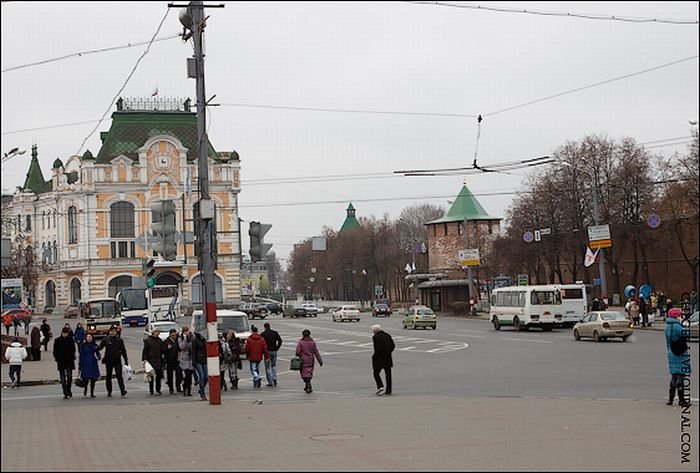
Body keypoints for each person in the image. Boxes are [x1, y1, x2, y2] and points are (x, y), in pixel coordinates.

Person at [665, 308, 692, 407]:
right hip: (680, 353)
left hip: (671, 352)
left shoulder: (668, 327)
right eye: (680, 315)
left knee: (674, 376)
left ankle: (670, 399)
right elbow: (687, 334)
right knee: (681, 375)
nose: (682, 317)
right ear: (677, 316)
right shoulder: (677, 326)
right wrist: (685, 326)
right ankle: (682, 400)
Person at [97, 325, 129, 397]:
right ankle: (109, 391)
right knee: (108, 376)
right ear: (109, 332)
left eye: (114, 331)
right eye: (111, 331)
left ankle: (122, 390)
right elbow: (100, 347)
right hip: (108, 360)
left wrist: (126, 360)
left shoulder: (119, 340)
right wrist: (95, 349)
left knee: (119, 375)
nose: (112, 333)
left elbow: (123, 351)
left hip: (117, 360)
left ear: (116, 332)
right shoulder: (106, 339)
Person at [295, 329, 323, 393]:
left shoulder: (301, 342)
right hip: (310, 360)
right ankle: (307, 385)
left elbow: (298, 352)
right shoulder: (312, 342)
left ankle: (308, 384)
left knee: (304, 372)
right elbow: (316, 352)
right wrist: (320, 360)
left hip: (303, 360)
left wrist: (298, 355)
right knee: (309, 372)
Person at [372, 324, 395, 396]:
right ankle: (389, 390)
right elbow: (393, 346)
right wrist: (389, 352)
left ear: (375, 331)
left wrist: (375, 356)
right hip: (388, 357)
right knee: (388, 374)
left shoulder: (376, 337)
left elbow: (377, 348)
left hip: (379, 358)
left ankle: (380, 386)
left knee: (376, 373)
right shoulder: (387, 335)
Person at [53, 327, 76, 399]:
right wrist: (57, 359)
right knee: (62, 379)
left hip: (69, 361)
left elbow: (73, 349)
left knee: (69, 377)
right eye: (64, 333)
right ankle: (65, 392)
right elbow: (55, 351)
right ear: (62, 333)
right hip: (61, 362)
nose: (65, 334)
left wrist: (72, 357)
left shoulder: (70, 340)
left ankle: (68, 389)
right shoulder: (57, 340)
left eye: (66, 333)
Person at [142, 328, 164, 395]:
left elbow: (162, 349)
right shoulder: (148, 340)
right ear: (152, 333)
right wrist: (144, 359)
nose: (156, 333)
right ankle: (151, 390)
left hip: (158, 359)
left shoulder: (160, 340)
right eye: (155, 332)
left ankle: (158, 389)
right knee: (151, 375)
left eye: (157, 332)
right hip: (150, 359)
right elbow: (145, 350)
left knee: (158, 375)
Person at [78, 333, 101, 398]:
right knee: (86, 378)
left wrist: (99, 357)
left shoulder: (95, 345)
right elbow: (81, 355)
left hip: (93, 363)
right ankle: (85, 389)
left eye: (90, 337)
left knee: (93, 379)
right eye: (87, 337)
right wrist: (80, 365)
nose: (88, 338)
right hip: (86, 364)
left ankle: (92, 392)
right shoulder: (83, 346)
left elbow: (98, 354)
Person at [261, 322, 283, 387]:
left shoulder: (263, 334)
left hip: (267, 352)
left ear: (264, 327)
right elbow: (280, 341)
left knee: (267, 367)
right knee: (273, 365)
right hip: (274, 350)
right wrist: (277, 347)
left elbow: (261, 344)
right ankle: (275, 378)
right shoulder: (275, 333)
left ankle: (270, 381)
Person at [162, 329, 182, 394]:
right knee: (170, 375)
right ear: (170, 335)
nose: (174, 336)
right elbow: (162, 350)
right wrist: (167, 348)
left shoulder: (177, 341)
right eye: (173, 335)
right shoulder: (166, 341)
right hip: (169, 360)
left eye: (175, 335)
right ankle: (171, 388)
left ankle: (178, 387)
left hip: (177, 360)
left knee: (179, 374)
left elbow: (180, 348)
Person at [178, 326, 194, 397]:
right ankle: (184, 388)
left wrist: (190, 338)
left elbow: (193, 346)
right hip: (184, 359)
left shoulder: (191, 337)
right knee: (187, 375)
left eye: (187, 331)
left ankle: (189, 391)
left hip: (191, 359)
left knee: (190, 376)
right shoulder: (180, 338)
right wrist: (185, 339)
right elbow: (181, 347)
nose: (186, 333)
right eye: (185, 331)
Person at [192, 330, 208, 400]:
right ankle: (202, 393)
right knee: (202, 376)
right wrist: (194, 362)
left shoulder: (204, 339)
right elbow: (193, 352)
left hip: (204, 360)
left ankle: (201, 388)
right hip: (198, 360)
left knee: (206, 377)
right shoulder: (195, 340)